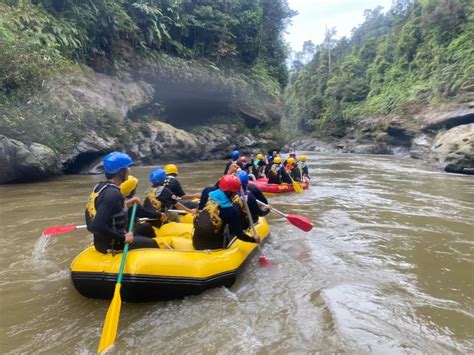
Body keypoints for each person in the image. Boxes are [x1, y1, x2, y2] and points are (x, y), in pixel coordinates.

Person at [85, 152, 158, 254]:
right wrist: (123, 237)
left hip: (101, 243)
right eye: (127, 168)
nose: (129, 170)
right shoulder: (113, 194)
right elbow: (97, 226)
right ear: (120, 171)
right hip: (114, 244)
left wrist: (128, 203)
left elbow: (105, 213)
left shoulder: (100, 187)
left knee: (143, 231)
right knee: (153, 243)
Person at [193, 175, 259, 250]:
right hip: (214, 247)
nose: (235, 194)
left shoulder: (208, 194)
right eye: (235, 193)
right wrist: (253, 239)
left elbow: (199, 212)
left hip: (195, 242)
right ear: (232, 192)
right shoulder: (229, 210)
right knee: (233, 231)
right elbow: (239, 235)